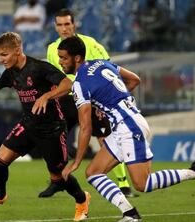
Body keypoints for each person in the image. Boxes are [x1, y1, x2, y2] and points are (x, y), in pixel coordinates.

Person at [56, 36, 195, 222]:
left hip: (129, 127)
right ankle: (130, 213)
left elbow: (85, 126)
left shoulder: (79, 84)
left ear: (77, 58)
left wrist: (75, 162)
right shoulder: (101, 63)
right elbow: (134, 80)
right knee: (94, 172)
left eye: (63, 58)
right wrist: (111, 102)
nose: (61, 62)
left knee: (142, 184)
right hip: (124, 125)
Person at [0, 32, 90, 222]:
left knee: (59, 177)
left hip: (52, 129)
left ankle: (82, 199)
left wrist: (46, 96)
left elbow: (68, 84)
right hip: (28, 124)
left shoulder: (39, 68)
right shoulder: (10, 73)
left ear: (18, 50)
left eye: (4, 54)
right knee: (0, 161)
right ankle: (0, 196)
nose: (1, 59)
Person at [39, 8, 135, 198]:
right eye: (60, 25)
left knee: (105, 139)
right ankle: (57, 180)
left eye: (67, 24)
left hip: (90, 99)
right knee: (54, 138)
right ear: (55, 27)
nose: (64, 28)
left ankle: (123, 184)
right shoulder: (52, 49)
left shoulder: (90, 44)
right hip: (66, 99)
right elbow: (54, 77)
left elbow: (108, 71)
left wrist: (102, 103)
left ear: (74, 25)